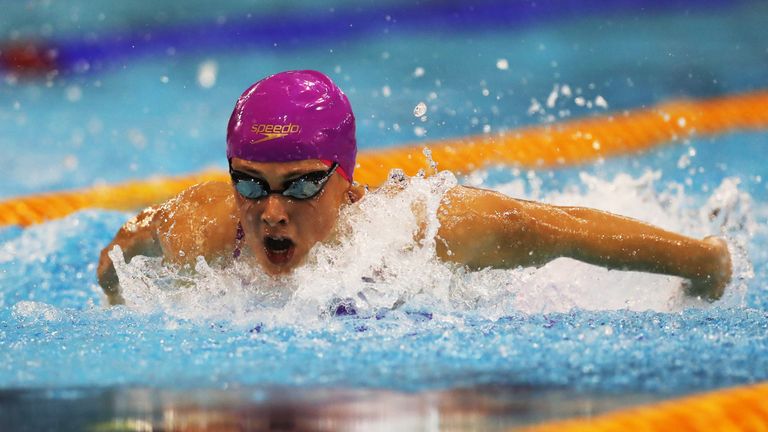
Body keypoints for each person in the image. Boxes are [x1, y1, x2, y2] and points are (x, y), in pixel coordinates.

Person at [97, 70, 732, 306]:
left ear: (346, 183)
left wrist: (703, 262)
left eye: (300, 186)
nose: (270, 213)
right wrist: (114, 289)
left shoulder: (416, 231)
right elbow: (125, 249)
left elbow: (550, 228)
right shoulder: (206, 226)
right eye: (250, 184)